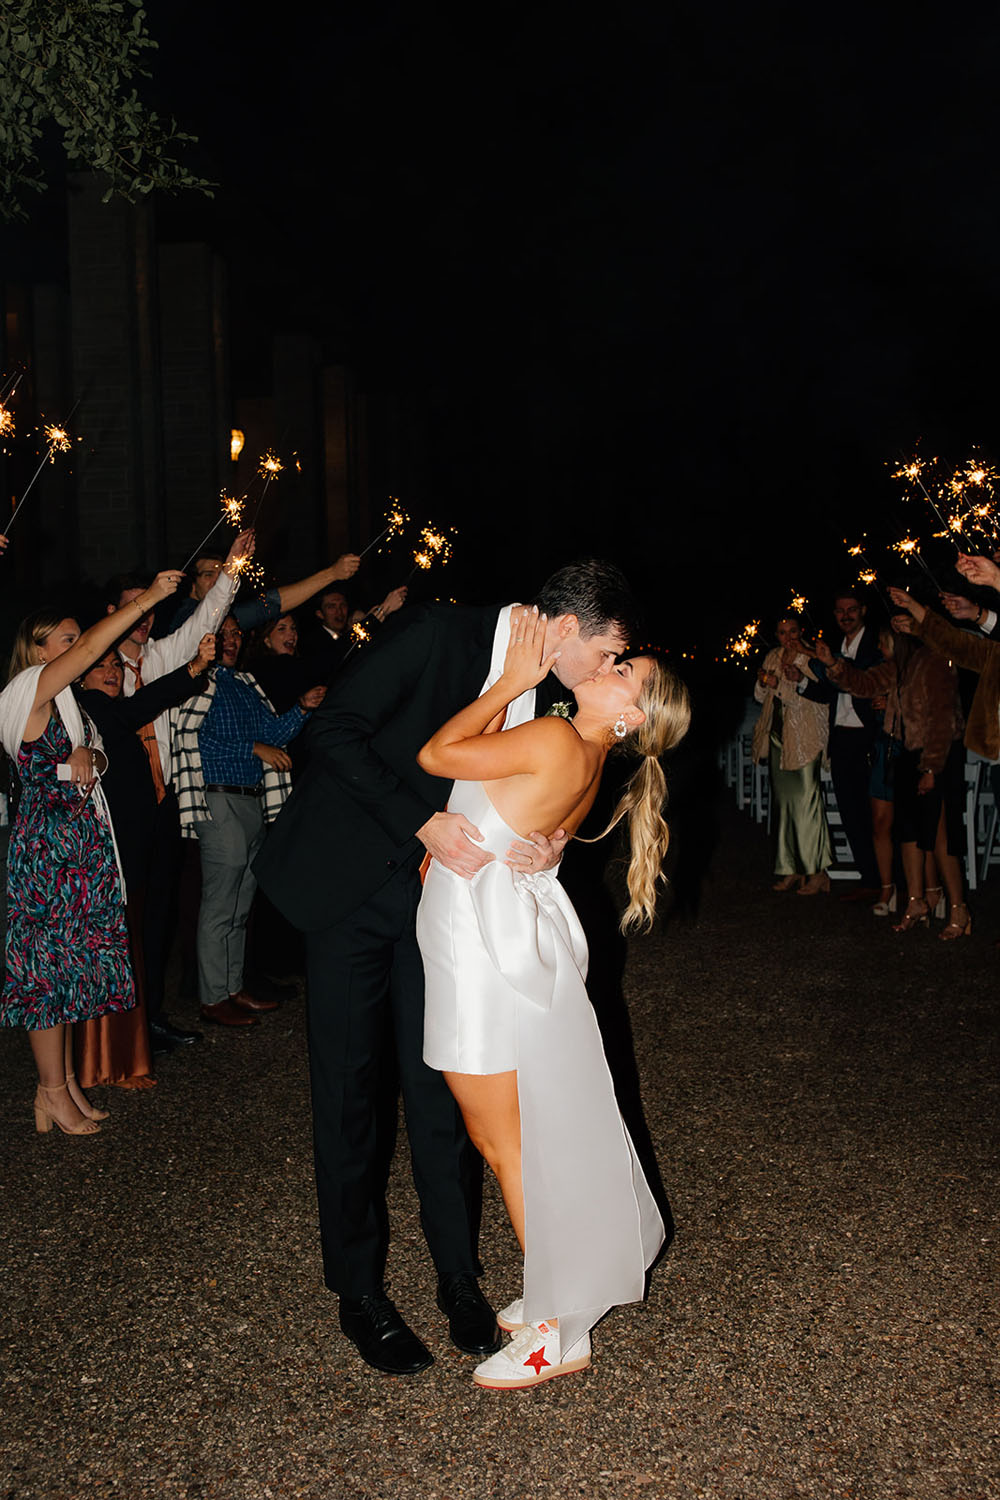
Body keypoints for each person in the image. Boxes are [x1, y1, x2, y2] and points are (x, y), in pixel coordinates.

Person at [253, 558, 638, 1375]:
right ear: (565, 631)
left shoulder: (553, 700)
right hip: (357, 888)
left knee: (444, 1095)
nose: (609, 674)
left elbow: (520, 792)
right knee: (351, 1093)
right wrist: (417, 822)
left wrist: (552, 842)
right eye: (608, 656)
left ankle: (459, 1280)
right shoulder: (435, 631)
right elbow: (331, 732)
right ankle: (359, 1291)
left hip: (454, 916)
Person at [415, 608, 689, 1387]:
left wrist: (511, 682)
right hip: (493, 928)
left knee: (505, 1142)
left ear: (632, 715)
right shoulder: (587, 754)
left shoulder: (561, 738)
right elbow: (504, 808)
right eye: (616, 660)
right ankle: (556, 1288)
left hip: (476, 943)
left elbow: (436, 754)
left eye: (623, 672)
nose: (609, 668)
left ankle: (556, 1330)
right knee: (519, 1134)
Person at [0, 569, 184, 1134]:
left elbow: (100, 757)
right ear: (37, 650)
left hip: (80, 849)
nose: (82, 646)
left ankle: (60, 1086)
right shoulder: (28, 691)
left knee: (69, 971)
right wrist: (150, 599)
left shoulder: (67, 707)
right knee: (45, 975)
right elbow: (88, 651)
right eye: (67, 640)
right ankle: (52, 1091)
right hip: (47, 851)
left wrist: (88, 760)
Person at [71, 634, 216, 1088]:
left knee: (135, 941)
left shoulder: (111, 710)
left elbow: (147, 700)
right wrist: (190, 669)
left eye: (116, 664)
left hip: (135, 850)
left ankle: (127, 1046)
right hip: (108, 854)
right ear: (78, 676)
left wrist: (193, 670)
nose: (112, 671)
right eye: (101, 665)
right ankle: (103, 1059)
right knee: (113, 947)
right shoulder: (82, 714)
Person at [173, 613, 324, 1026]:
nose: (231, 641)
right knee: (220, 904)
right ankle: (211, 998)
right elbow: (193, 741)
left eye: (237, 634)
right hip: (218, 798)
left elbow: (274, 736)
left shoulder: (243, 683)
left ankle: (232, 989)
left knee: (240, 904)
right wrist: (254, 749)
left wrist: (301, 709)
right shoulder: (198, 681)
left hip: (251, 798)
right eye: (223, 634)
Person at [815, 608, 967, 937]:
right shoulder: (897, 668)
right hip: (906, 753)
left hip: (936, 755)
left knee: (941, 838)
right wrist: (832, 665)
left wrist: (930, 768)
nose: (882, 647)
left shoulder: (935, 661)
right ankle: (915, 901)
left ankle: (959, 908)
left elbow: (943, 720)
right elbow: (863, 683)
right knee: (908, 833)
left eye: (889, 639)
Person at [797, 590, 883, 899]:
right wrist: (801, 681)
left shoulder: (876, 645)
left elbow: (860, 680)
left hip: (870, 736)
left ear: (863, 610)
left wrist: (828, 661)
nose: (845, 615)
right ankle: (869, 879)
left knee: (877, 813)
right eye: (840, 611)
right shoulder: (834, 647)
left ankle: (888, 880)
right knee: (850, 811)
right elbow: (830, 692)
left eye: (851, 610)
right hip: (843, 737)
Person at [752, 615, 831, 895]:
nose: (788, 637)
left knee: (807, 804)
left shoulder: (811, 656)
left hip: (805, 738)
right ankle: (790, 868)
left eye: (793, 631)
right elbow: (761, 697)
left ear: (801, 631)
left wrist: (785, 686)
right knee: (784, 805)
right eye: (783, 632)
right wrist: (765, 682)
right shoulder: (773, 655)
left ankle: (817, 871)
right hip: (777, 737)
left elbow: (820, 698)